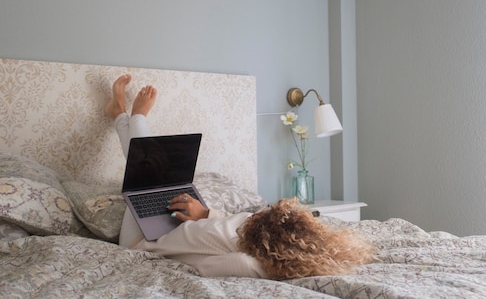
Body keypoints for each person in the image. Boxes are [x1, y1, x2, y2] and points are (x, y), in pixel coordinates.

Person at [105, 74, 377, 280]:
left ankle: (131, 114)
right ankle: (119, 113)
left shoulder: (249, 264)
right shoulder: (255, 224)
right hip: (177, 221)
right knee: (157, 174)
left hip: (142, 242)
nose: (259, 214)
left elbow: (204, 266)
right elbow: (230, 224)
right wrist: (204, 215)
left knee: (149, 169)